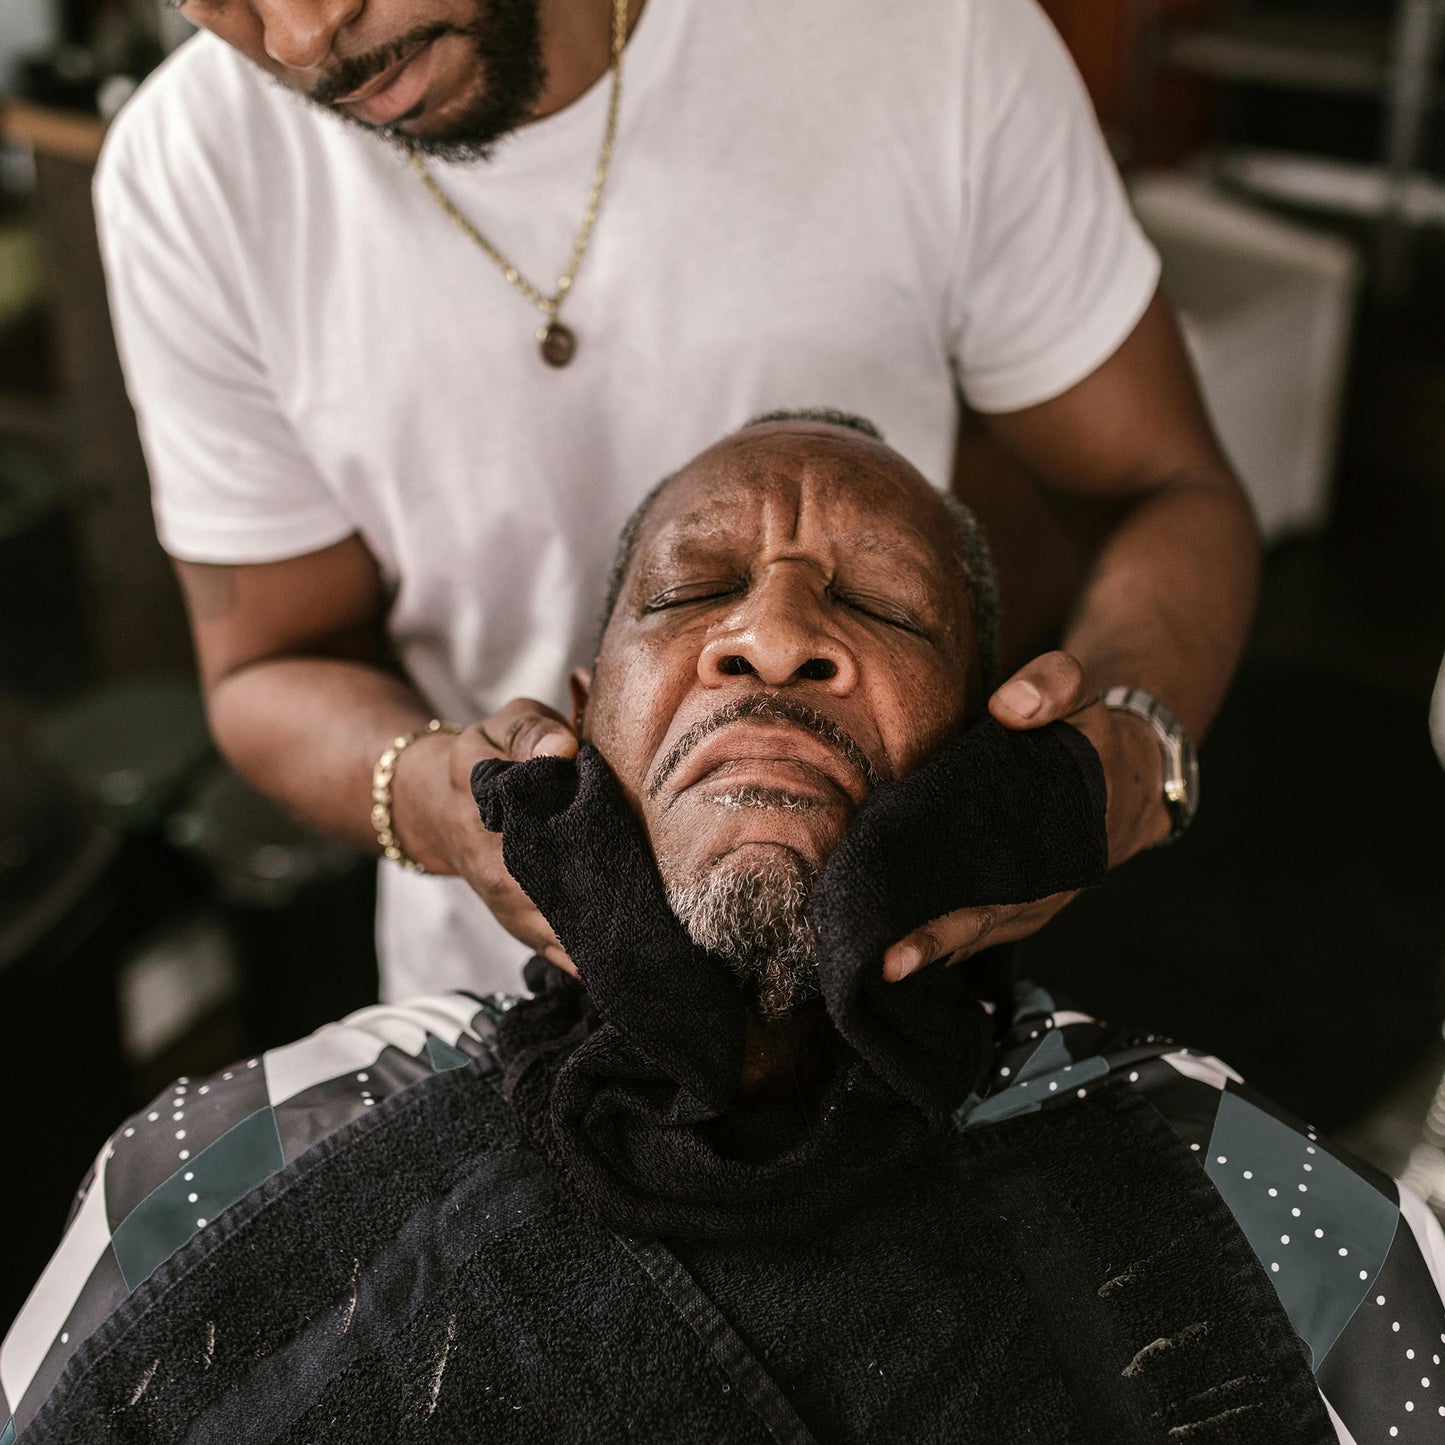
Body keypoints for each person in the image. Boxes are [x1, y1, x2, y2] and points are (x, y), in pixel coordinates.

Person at [2, 416, 1439, 1444]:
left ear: (990, 746)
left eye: (881, 607)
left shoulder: (1285, 1232)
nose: (773, 634)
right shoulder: (205, 1178)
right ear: (576, 726)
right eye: (691, 591)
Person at [93, 0, 1260, 1001]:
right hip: (490, 988)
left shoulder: (920, 32)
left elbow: (1168, 487)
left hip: (894, 959)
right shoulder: (189, 173)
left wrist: (1134, 748)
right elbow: (267, 663)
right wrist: (437, 802)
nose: (302, 40)